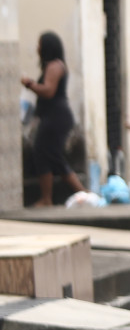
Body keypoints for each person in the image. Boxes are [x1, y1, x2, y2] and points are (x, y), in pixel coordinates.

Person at [20, 31, 82, 207]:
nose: (38, 49)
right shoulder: (54, 66)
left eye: (40, 45)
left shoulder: (54, 66)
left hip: (56, 118)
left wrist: (29, 84)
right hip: (54, 117)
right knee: (50, 156)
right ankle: (81, 193)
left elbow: (48, 91)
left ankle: (49, 198)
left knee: (45, 153)